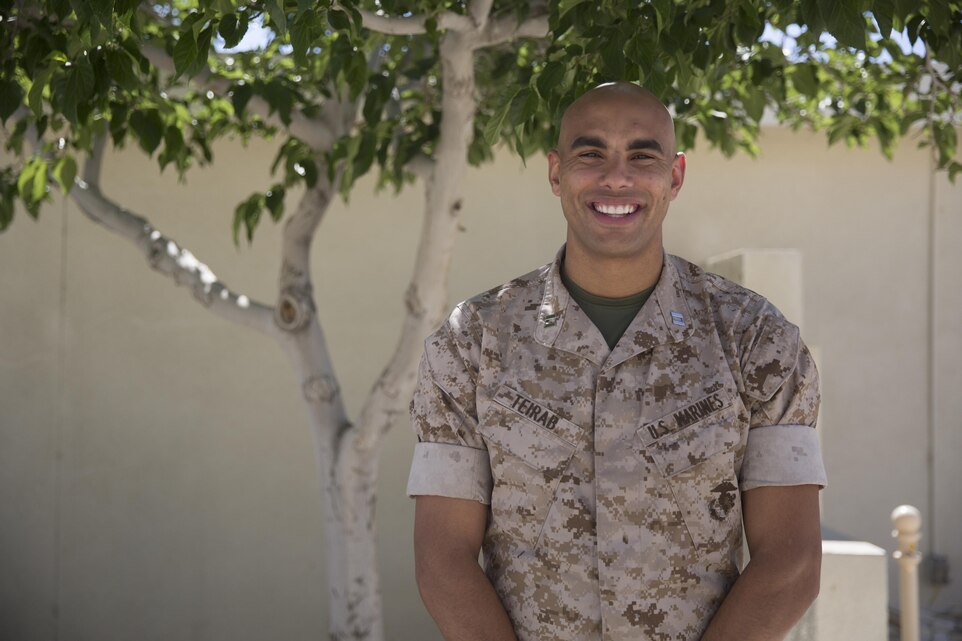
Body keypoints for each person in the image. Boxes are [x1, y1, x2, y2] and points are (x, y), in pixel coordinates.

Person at [406, 81, 827, 641]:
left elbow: (790, 561)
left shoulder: (756, 341)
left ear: (674, 177)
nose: (617, 177)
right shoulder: (473, 342)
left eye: (642, 156)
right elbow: (443, 560)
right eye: (591, 153)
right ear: (556, 172)